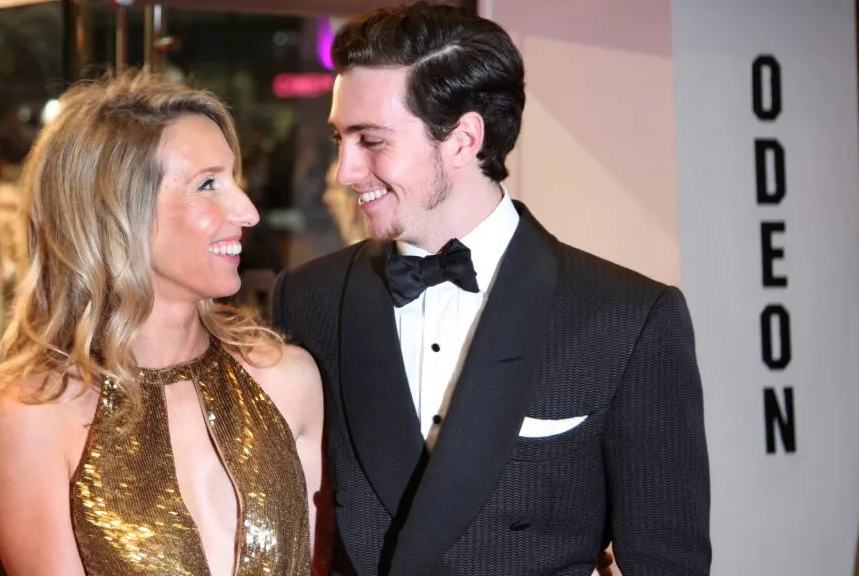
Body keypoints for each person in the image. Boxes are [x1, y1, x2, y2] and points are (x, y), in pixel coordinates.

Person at [270, 3, 711, 575]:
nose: (345, 171)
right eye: (339, 139)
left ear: (463, 139)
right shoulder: (307, 299)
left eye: (371, 141)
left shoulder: (627, 317)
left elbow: (667, 561)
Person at [0, 70, 323, 576]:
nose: (248, 211)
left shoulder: (287, 379)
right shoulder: (38, 412)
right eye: (208, 184)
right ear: (118, 211)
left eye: (235, 179)